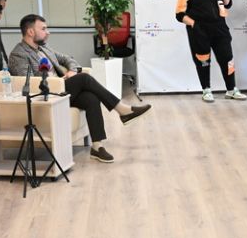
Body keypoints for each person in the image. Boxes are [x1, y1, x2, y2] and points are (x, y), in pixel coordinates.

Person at [8, 14, 151, 164]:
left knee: (90, 98)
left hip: (61, 89)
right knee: (84, 78)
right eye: (43, 29)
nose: (48, 32)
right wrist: (59, 81)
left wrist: (72, 70)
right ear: (30, 32)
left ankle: (97, 146)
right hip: (46, 94)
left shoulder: (44, 48)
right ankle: (122, 110)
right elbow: (27, 82)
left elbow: (67, 59)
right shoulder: (19, 54)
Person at [175, 0, 247, 103]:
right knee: (203, 61)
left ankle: (231, 89)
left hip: (220, 29)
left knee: (227, 59)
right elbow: (179, 15)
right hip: (200, 32)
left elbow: (228, 4)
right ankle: (206, 90)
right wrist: (195, 25)